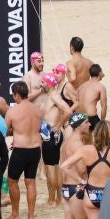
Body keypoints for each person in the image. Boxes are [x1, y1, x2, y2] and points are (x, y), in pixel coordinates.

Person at [5, 81, 44, 219]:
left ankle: (15, 214)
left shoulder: (13, 111)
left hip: (20, 149)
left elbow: (6, 129)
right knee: (31, 182)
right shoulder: (37, 110)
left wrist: (15, 130)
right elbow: (40, 128)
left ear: (17, 95)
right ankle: (31, 216)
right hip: (35, 149)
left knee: (12, 181)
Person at [57, 112, 93, 219]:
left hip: (66, 187)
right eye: (86, 122)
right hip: (75, 188)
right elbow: (81, 169)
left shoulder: (67, 141)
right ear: (79, 125)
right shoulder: (78, 143)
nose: (89, 125)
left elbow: (63, 165)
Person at [40, 71, 72, 207]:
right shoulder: (51, 96)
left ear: (48, 84)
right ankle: (56, 197)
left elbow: (68, 111)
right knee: (55, 167)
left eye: (42, 82)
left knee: (51, 168)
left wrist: (58, 125)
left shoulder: (54, 96)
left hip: (52, 136)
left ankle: (53, 199)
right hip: (50, 135)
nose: (41, 84)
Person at [76, 64, 107, 129]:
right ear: (100, 72)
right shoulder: (100, 87)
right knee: (101, 136)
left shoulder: (81, 86)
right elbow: (104, 107)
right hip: (90, 118)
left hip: (78, 117)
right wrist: (102, 122)